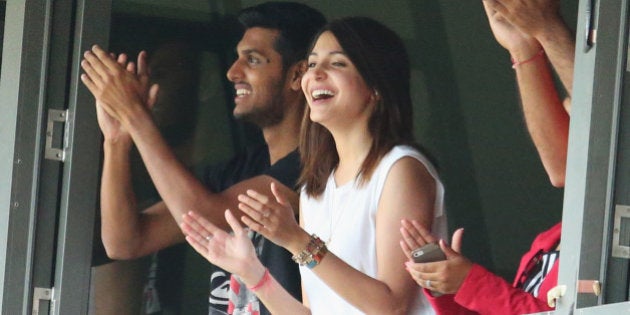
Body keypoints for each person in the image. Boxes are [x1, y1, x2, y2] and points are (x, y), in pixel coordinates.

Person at [182, 16, 448, 314]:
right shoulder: (314, 188)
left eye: (337, 64)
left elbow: (393, 306)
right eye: (311, 64)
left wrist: (298, 242)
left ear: (376, 86)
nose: (315, 74)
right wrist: (252, 273)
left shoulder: (400, 169)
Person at [79, 2, 326, 314]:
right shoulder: (241, 169)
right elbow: (125, 241)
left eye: (252, 59)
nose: (233, 72)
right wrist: (117, 140)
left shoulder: (313, 164)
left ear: (297, 75)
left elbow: (205, 217)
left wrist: (136, 116)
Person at [399, 0, 575, 314]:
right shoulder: (549, 241)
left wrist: (468, 283)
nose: (584, 127)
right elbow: (563, 166)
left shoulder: (607, 233)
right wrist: (449, 287)